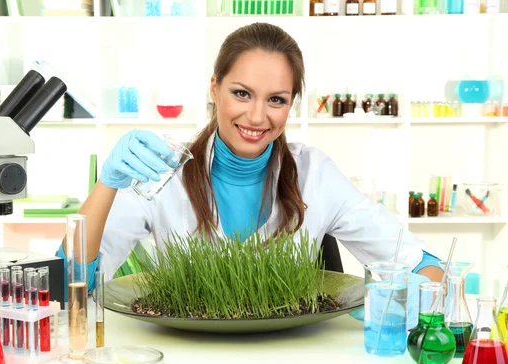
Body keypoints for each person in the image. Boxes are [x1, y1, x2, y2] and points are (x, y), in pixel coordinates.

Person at [56, 22, 443, 326]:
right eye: (241, 93)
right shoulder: (164, 172)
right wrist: (107, 182)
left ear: (291, 103)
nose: (257, 117)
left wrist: (409, 300)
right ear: (215, 88)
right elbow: (68, 285)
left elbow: (423, 263)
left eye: (276, 99)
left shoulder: (315, 174)